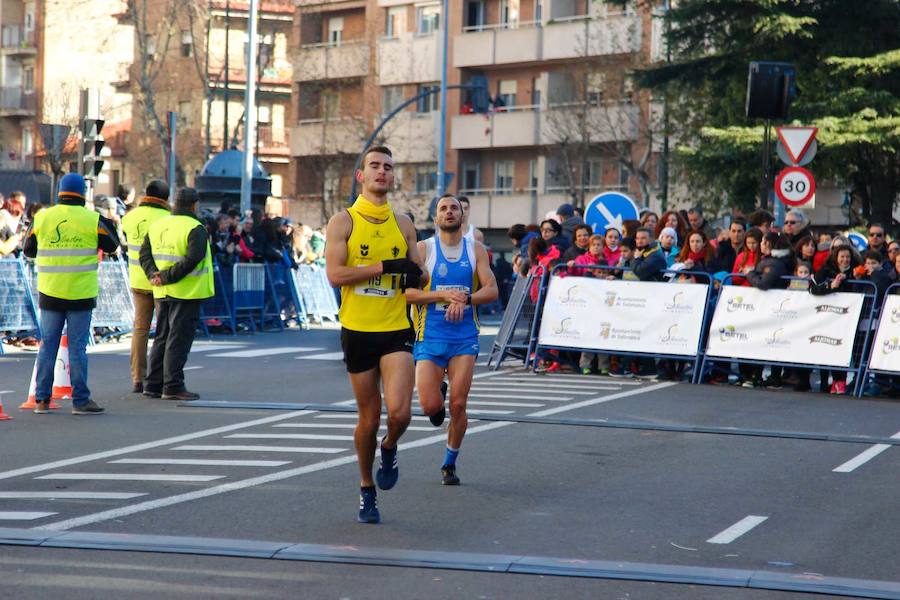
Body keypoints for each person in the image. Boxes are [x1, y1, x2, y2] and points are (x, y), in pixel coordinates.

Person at [324, 145, 427, 525]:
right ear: (361, 176)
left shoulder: (403, 224)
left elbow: (418, 272)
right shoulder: (344, 222)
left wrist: (420, 274)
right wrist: (384, 265)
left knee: (399, 413)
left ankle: (390, 445)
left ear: (393, 176)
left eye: (388, 167)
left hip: (395, 328)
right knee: (368, 418)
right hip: (357, 330)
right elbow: (336, 275)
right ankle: (367, 489)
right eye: (375, 166)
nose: (382, 172)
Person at [406, 195, 498, 486]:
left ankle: (449, 463)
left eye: (453, 208)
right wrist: (443, 296)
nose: (448, 212)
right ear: (435, 218)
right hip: (429, 336)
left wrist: (467, 299)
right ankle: (437, 394)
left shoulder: (476, 250)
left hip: (463, 338)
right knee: (430, 407)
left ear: (462, 215)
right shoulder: (424, 249)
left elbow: (492, 289)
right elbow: (408, 294)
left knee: (458, 405)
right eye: (443, 209)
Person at [23, 173, 119, 414]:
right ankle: (80, 401)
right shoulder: (92, 219)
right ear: (83, 194)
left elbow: (28, 249)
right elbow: (113, 244)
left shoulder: (42, 217)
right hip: (80, 294)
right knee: (77, 348)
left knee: (48, 346)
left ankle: (42, 400)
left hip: (50, 291)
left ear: (60, 193)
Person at [140, 187, 214, 402]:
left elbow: (144, 253)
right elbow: (193, 259)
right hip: (186, 291)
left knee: (162, 336)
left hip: (162, 290)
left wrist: (154, 275)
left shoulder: (158, 225)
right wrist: (167, 276)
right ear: (193, 205)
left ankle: (153, 383)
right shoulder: (195, 227)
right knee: (178, 339)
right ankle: (173, 385)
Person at [121, 180, 171, 394]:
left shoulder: (129, 217)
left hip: (137, 280)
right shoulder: (167, 219)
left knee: (140, 330)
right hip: (160, 281)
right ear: (165, 198)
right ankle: (161, 378)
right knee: (164, 332)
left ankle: (138, 379)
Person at [810, 244, 862, 394]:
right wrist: (831, 286)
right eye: (842, 257)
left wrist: (855, 279)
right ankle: (829, 381)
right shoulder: (826, 270)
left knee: (844, 348)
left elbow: (863, 289)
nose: (845, 260)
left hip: (848, 317)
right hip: (828, 317)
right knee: (828, 348)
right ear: (836, 258)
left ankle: (841, 382)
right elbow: (812, 288)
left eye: (847, 257)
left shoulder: (856, 271)